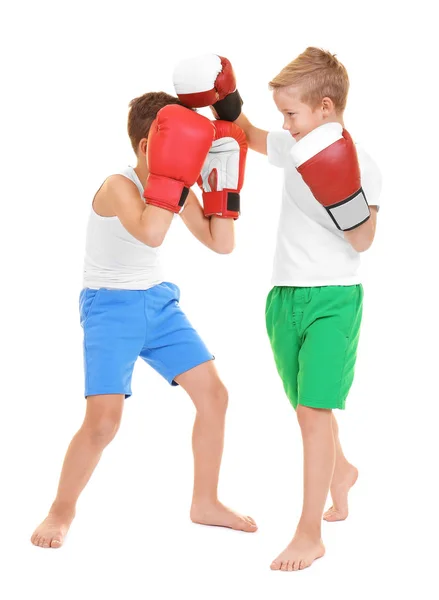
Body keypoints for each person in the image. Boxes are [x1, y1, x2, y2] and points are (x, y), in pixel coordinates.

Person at [173, 48, 382, 571]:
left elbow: (364, 239)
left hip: (334, 297)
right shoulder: (294, 142)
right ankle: (343, 470)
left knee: (314, 411)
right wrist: (225, 97)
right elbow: (247, 133)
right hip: (283, 296)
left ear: (326, 108)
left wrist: (342, 193)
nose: (284, 125)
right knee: (308, 407)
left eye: (291, 114)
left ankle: (309, 533)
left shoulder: (360, 164)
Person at [31, 91, 256, 549]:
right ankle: (61, 510)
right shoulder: (118, 185)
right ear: (151, 145)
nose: (192, 155)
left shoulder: (179, 186)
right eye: (187, 145)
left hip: (158, 303)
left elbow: (221, 243)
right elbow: (151, 232)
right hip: (110, 307)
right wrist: (179, 179)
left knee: (215, 395)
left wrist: (222, 188)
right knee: (103, 422)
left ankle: (205, 502)